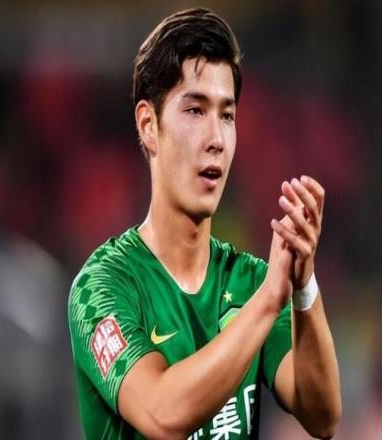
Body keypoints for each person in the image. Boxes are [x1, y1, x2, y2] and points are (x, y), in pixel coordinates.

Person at [68, 7, 341, 440]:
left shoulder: (249, 282)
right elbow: (161, 414)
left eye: (227, 115)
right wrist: (270, 301)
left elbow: (322, 415)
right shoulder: (100, 288)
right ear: (148, 125)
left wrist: (303, 285)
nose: (216, 139)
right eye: (195, 110)